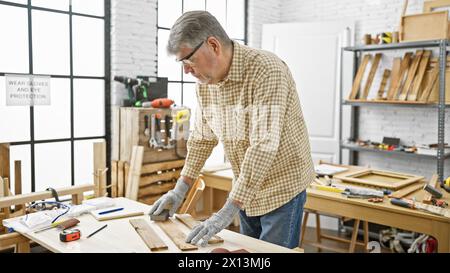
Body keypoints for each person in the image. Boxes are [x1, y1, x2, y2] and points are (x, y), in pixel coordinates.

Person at [148, 10, 314, 249]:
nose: (186, 70)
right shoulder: (206, 85)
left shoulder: (266, 70)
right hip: (245, 187)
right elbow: (202, 139)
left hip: (282, 186)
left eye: (188, 60)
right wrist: (179, 190)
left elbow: (262, 147)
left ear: (213, 45)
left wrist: (227, 210)